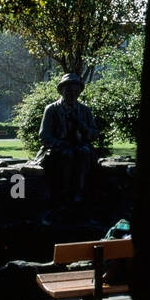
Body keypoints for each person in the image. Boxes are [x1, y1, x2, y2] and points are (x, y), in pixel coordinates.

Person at [38, 72, 98, 209]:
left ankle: (79, 193)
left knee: (84, 152)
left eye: (75, 90)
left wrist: (83, 128)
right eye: (68, 90)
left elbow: (94, 134)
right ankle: (63, 196)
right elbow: (44, 136)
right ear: (62, 91)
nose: (72, 93)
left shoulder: (85, 110)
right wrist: (61, 144)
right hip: (57, 149)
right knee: (67, 155)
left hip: (80, 147)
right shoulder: (51, 109)